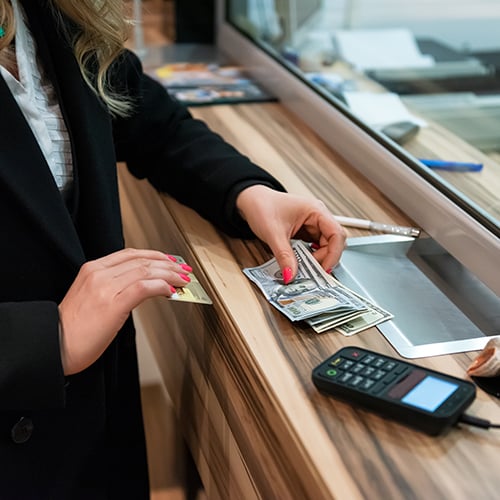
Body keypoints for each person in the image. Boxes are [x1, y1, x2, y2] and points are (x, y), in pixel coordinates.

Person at [0, 0, 346, 498]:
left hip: (90, 425)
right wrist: (43, 342)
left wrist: (248, 192)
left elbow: (151, 121)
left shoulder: (50, 14)